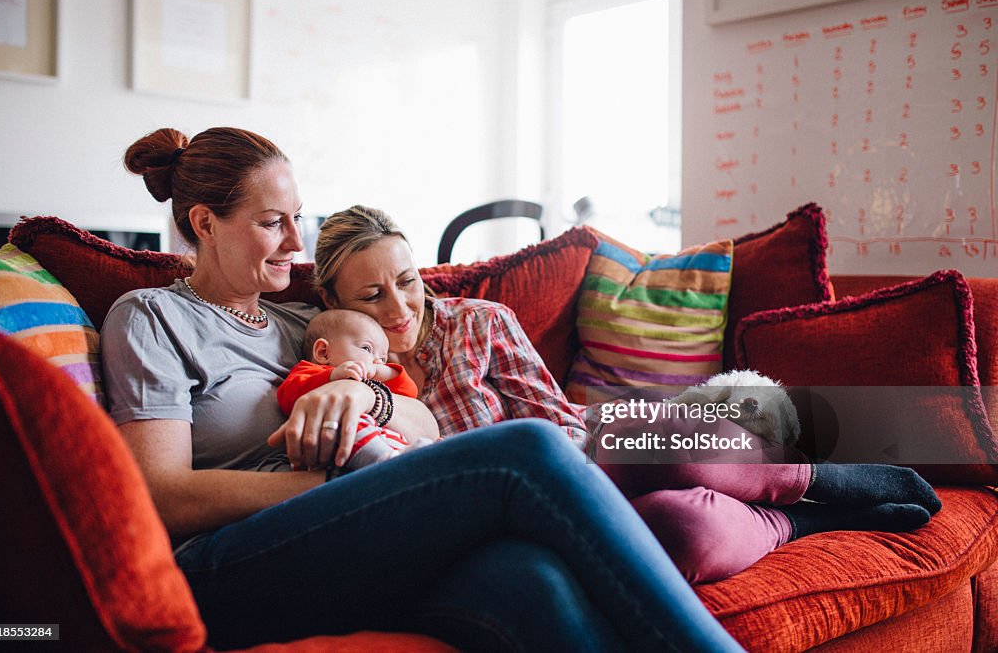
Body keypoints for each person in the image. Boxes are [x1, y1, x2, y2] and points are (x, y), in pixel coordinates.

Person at [100, 126, 746, 652]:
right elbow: (162, 494)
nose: (296, 242)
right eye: (274, 223)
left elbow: (425, 422)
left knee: (533, 580)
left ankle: (817, 466)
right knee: (527, 450)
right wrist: (335, 485)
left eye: (298, 219)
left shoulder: (306, 321)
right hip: (227, 563)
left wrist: (365, 398)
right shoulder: (151, 316)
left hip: (351, 531)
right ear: (205, 223)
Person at [301, 204, 942, 585]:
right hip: (517, 509)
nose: (400, 307)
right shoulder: (339, 374)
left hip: (576, 451)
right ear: (331, 303)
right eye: (370, 296)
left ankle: (822, 478)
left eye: (408, 281)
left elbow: (556, 420)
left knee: (673, 441)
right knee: (686, 532)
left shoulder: (476, 321)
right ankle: (804, 522)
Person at [275, 308, 428, 474]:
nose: (377, 361)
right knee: (347, 422)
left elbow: (409, 393)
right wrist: (332, 376)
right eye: (367, 349)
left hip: (385, 442)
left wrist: (386, 372)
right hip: (331, 448)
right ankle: (387, 462)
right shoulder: (309, 372)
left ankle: (410, 456)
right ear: (323, 352)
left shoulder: (371, 381)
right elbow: (287, 396)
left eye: (383, 358)